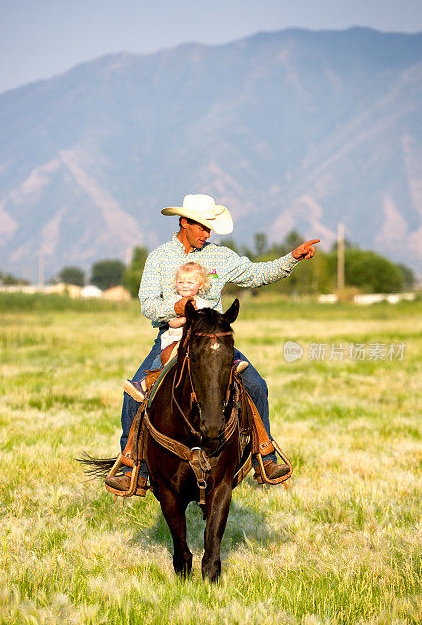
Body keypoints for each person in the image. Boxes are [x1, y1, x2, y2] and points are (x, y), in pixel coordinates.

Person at [106, 193, 320, 494]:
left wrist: (292, 258)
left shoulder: (221, 257)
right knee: (135, 394)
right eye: (203, 227)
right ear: (184, 222)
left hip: (214, 341)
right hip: (173, 338)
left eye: (210, 229)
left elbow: (256, 274)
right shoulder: (158, 258)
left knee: (256, 385)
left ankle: (265, 455)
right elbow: (148, 305)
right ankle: (133, 468)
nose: (208, 234)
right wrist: (177, 308)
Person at [123, 260, 210, 401]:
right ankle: (145, 383)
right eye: (181, 282)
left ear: (200, 285)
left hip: (197, 342)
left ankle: (233, 365)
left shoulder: (203, 304)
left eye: (190, 283)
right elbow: (173, 322)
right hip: (176, 340)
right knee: (169, 360)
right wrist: (186, 319)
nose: (185, 286)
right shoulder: (173, 301)